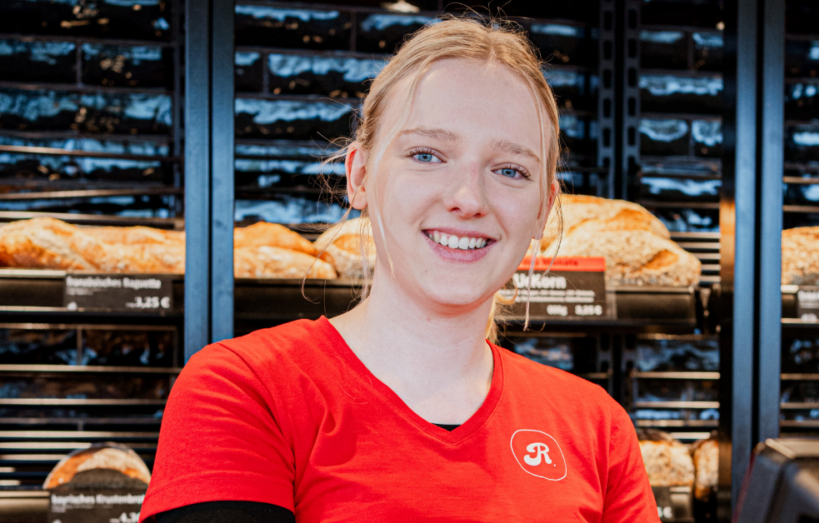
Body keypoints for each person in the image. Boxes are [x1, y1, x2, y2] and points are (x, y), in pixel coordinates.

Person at [140, 16, 657, 523]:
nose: (468, 199)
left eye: (509, 170)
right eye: (428, 154)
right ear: (360, 175)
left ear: (543, 208)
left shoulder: (595, 427)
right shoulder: (247, 390)